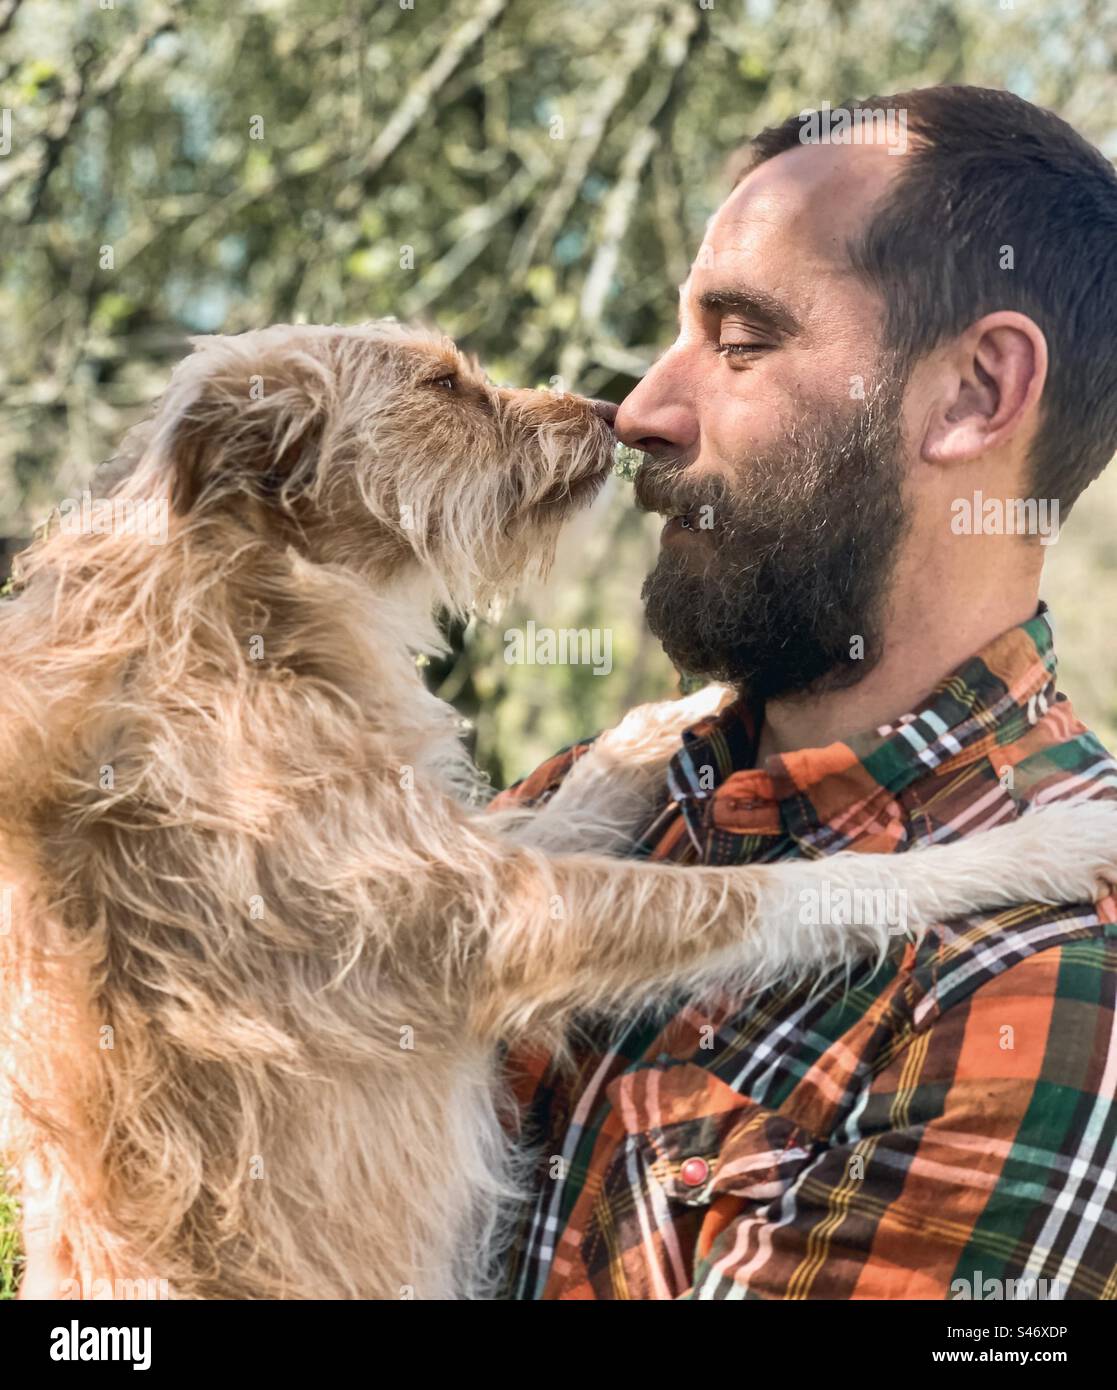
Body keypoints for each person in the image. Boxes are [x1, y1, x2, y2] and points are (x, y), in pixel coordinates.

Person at [494, 85, 1117, 1300]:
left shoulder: (1053, 965)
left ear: (976, 394)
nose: (641, 412)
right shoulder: (607, 793)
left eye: (740, 340)